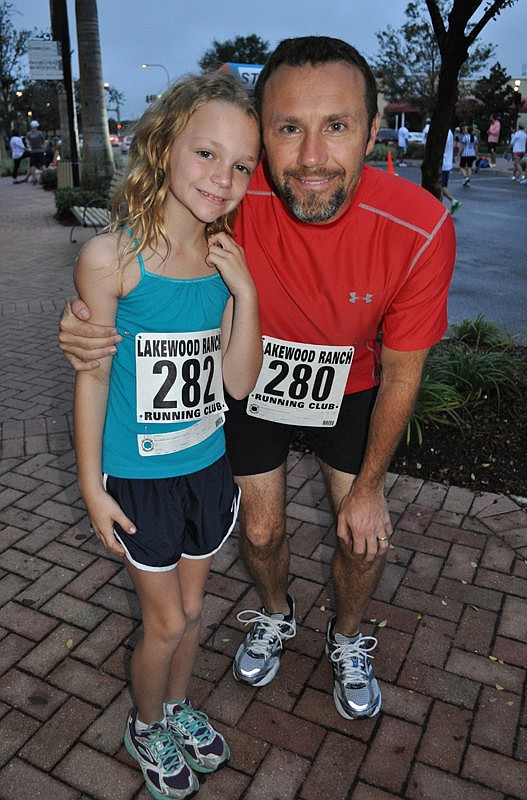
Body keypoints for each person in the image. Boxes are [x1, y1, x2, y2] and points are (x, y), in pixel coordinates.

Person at [59, 36, 456, 724]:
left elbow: (402, 371)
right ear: (266, 139)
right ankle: (275, 613)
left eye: (336, 126)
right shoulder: (237, 197)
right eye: (287, 130)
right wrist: (86, 326)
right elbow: (160, 243)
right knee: (262, 530)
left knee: (362, 532)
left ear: (370, 130)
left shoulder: (417, 224)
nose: (310, 158)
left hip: (352, 383)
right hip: (247, 376)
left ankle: (347, 635)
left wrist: (367, 491)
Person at [72, 72, 262, 800]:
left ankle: (177, 708)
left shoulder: (225, 262)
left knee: (195, 611)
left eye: (242, 165)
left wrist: (246, 294)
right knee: (166, 621)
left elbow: (237, 383)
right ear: (163, 147)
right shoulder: (111, 259)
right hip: (138, 475)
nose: (224, 177)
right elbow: (91, 377)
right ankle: (145, 721)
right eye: (206, 154)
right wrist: (92, 484)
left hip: (207, 468)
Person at [441, 129, 461, 214]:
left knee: (441, 187)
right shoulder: (450, 132)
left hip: (443, 164)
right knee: (441, 187)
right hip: (447, 163)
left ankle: (453, 201)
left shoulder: (443, 132)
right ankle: (440, 208)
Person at [24, 120, 46, 184]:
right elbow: (43, 141)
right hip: (40, 150)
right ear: (37, 126)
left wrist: (29, 145)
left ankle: (34, 178)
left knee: (33, 165)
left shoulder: (29, 134)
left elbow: (26, 140)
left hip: (33, 151)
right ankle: (46, 177)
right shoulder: (40, 133)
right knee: (42, 164)